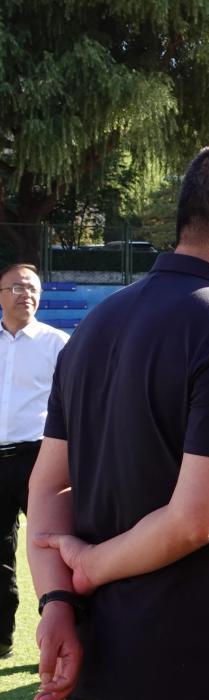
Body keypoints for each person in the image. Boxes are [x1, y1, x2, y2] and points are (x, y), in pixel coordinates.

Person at [27, 142, 209, 700]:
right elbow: (195, 518)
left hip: (99, 657)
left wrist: (57, 603)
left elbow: (47, 487)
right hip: (199, 660)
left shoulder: (93, 326)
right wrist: (88, 568)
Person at [0, 264, 67, 659]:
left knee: (52, 546)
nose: (26, 294)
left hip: (40, 457)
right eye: (17, 288)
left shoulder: (58, 344)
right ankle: (2, 637)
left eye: (32, 289)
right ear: (0, 295)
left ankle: (64, 634)